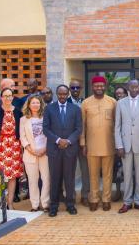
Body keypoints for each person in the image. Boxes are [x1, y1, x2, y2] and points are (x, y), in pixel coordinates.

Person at [43, 85, 82, 217]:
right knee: (55, 178)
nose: (62, 96)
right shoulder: (49, 109)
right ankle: (54, 206)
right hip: (54, 149)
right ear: (56, 94)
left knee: (69, 178)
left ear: (68, 94)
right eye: (60, 94)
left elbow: (78, 129)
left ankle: (70, 204)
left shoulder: (75, 109)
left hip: (70, 149)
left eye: (65, 94)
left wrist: (68, 141)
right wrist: (59, 140)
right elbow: (46, 129)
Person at [115, 79, 139, 213]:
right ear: (128, 87)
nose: (134, 89)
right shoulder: (120, 103)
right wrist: (119, 145)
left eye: (136, 87)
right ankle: (127, 202)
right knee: (127, 175)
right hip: (125, 146)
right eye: (132, 87)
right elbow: (117, 127)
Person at [80, 76, 116, 212]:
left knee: (107, 174)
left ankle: (106, 199)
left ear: (105, 87)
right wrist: (83, 143)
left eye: (101, 86)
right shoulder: (86, 103)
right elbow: (82, 125)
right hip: (91, 145)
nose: (99, 88)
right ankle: (94, 199)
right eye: (96, 86)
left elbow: (116, 125)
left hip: (109, 144)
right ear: (92, 86)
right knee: (93, 174)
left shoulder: (112, 102)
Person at [19, 95, 50, 212]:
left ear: (41, 104)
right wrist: (31, 150)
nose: (35, 105)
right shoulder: (23, 120)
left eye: (37, 103)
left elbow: (49, 134)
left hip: (45, 153)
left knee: (46, 179)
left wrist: (44, 149)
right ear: (29, 105)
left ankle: (45, 203)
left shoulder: (46, 118)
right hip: (30, 154)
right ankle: (35, 205)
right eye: (33, 103)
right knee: (32, 180)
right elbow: (23, 138)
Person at [66, 79, 89, 207]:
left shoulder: (86, 102)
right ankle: (71, 196)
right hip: (70, 142)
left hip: (83, 141)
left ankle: (85, 195)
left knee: (85, 170)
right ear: (69, 89)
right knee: (70, 171)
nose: (75, 90)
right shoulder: (65, 102)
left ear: (81, 89)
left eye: (77, 88)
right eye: (73, 88)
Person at [112, 86, 128, 202]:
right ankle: (118, 191)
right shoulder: (113, 106)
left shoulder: (129, 105)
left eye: (121, 93)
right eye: (117, 94)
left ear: (126, 94)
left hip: (128, 142)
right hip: (115, 143)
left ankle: (129, 192)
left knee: (128, 170)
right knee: (117, 170)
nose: (119, 95)